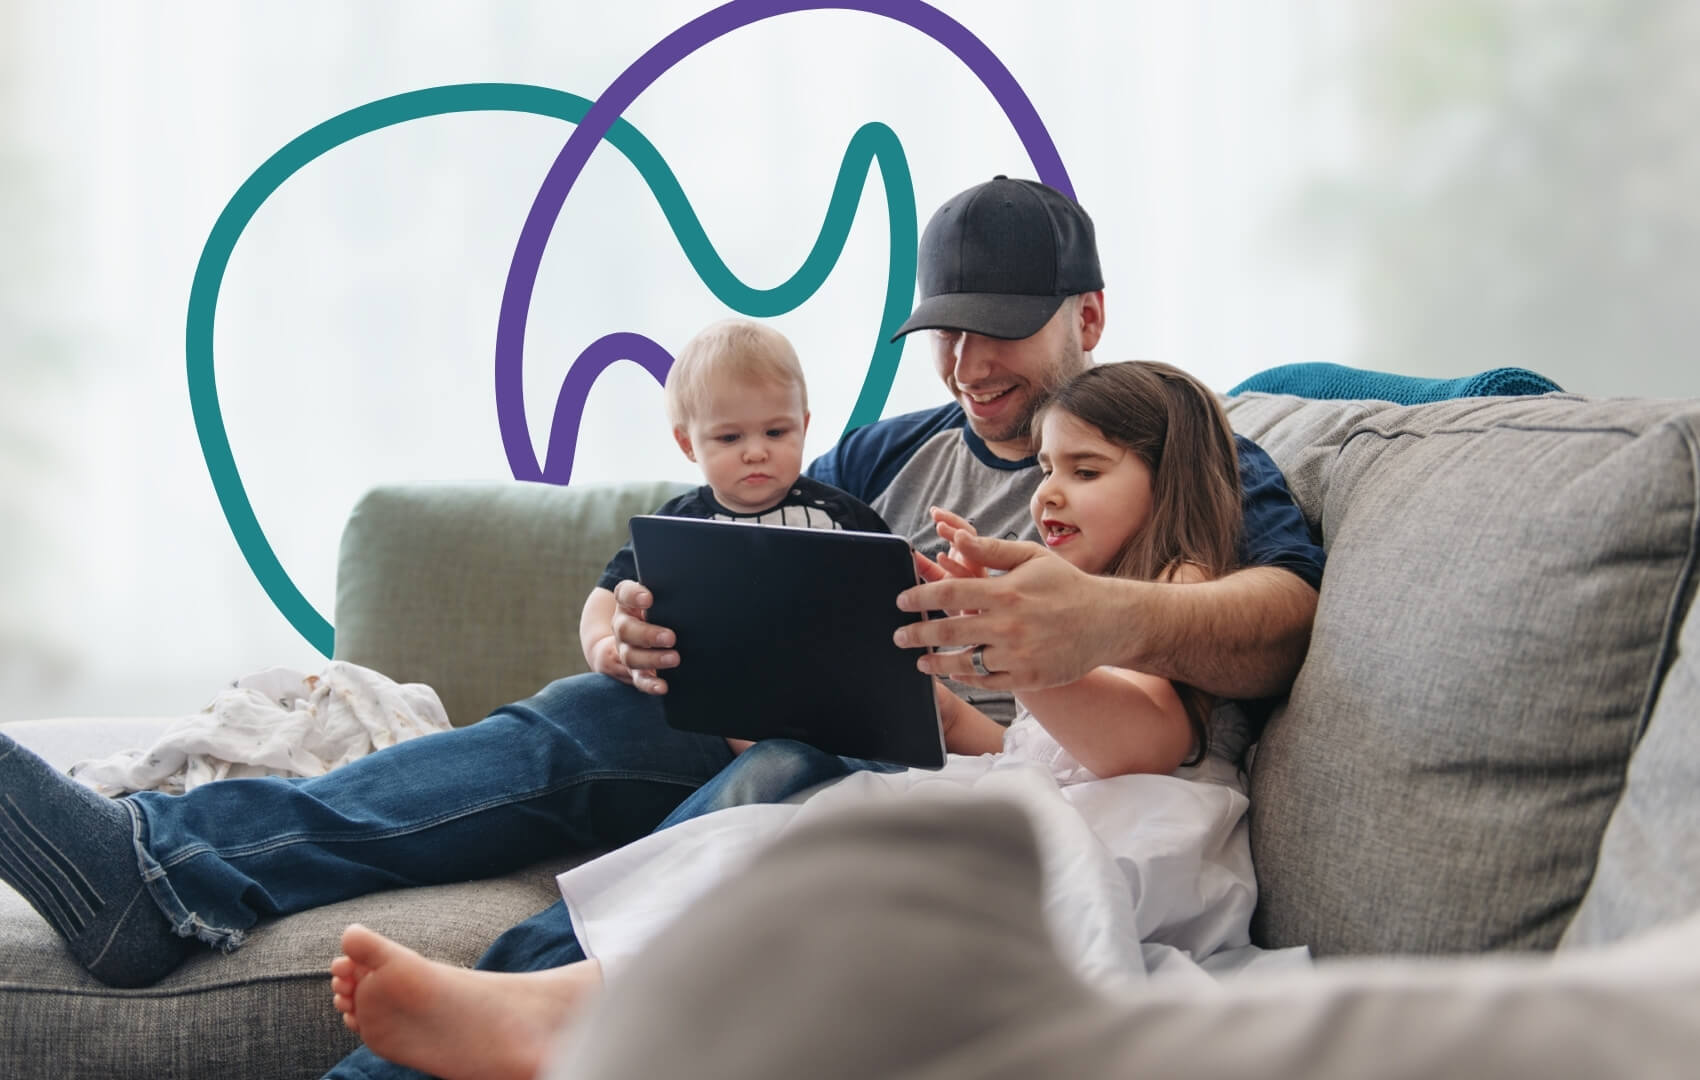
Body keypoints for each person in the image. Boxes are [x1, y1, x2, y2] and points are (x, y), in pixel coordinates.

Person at [0, 175, 1323, 1080]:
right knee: (601, 711)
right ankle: (158, 873)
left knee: (785, 785)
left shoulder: (1170, 449)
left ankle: (473, 1036)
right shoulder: (892, 448)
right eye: (946, 336)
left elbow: (1269, 621)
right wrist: (617, 617)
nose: (969, 368)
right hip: (819, 722)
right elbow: (734, 552)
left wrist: (1090, 619)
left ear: (1087, 318)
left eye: (999, 336)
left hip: (921, 773)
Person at [325, 358, 1256, 1079]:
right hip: (1022, 793)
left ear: (1169, 481)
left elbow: (1143, 739)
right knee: (764, 840)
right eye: (1047, 468)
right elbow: (1010, 745)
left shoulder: (1169, 587)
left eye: (1083, 470)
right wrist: (921, 679)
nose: (1047, 491)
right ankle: (566, 1004)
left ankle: (564, 1018)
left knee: (849, 853)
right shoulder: (1004, 552)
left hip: (1123, 842)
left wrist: (1020, 646)